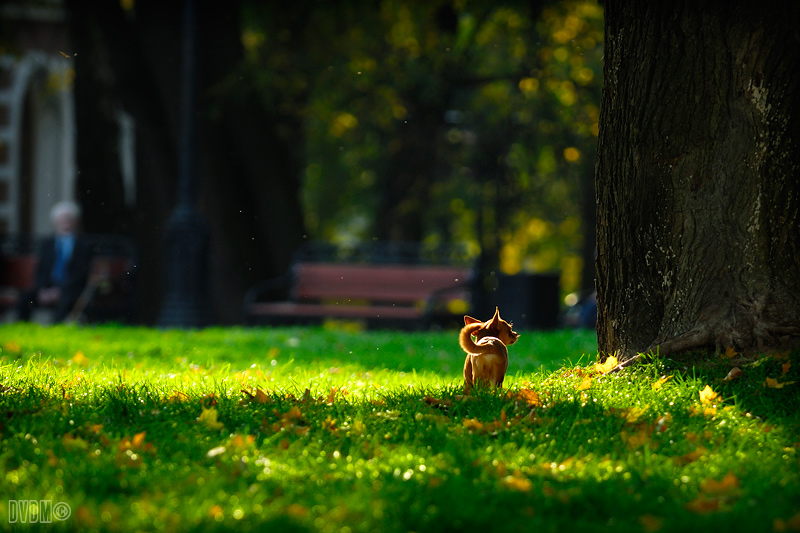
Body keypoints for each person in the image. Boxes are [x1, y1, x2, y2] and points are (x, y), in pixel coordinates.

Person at [16, 201, 92, 323]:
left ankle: (55, 327)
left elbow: (80, 273)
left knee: (67, 297)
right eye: (62, 219)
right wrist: (43, 290)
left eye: (69, 219)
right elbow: (41, 270)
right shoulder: (47, 244)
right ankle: (22, 326)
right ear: (55, 222)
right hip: (48, 287)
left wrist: (59, 290)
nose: (65, 222)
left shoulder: (83, 245)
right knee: (26, 296)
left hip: (70, 288)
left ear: (75, 221)